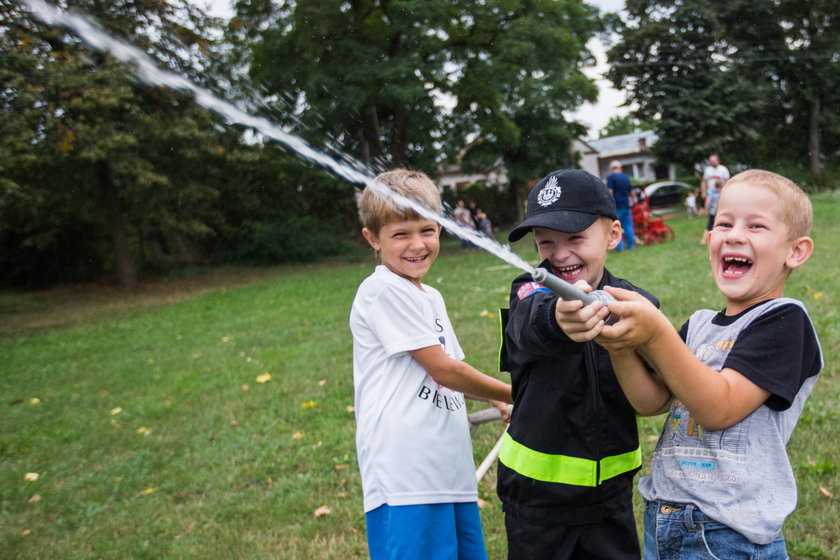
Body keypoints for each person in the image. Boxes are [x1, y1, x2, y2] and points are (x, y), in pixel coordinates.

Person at [597, 169, 823, 559]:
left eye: (756, 226)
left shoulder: (785, 321)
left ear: (795, 251)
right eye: (723, 223)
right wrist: (619, 346)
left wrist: (656, 335)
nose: (734, 235)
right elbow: (651, 401)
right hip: (663, 517)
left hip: (728, 532)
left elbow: (719, 408)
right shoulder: (700, 324)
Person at [350, 169, 514, 560]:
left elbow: (454, 369)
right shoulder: (383, 290)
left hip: (447, 467)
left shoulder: (430, 297)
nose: (417, 244)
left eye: (427, 230)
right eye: (400, 234)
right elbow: (443, 370)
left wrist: (497, 402)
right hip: (405, 474)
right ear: (373, 239)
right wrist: (517, 392)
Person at [497, 169, 659, 560]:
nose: (560, 254)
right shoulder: (531, 288)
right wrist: (557, 319)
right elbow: (528, 320)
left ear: (614, 236)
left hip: (611, 498)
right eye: (546, 242)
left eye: (575, 238)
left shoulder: (637, 303)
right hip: (537, 500)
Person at [700, 153, 730, 244]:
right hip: (711, 194)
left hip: (721, 195)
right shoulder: (708, 170)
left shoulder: (723, 169)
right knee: (712, 220)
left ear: (718, 160)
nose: (713, 163)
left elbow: (727, 181)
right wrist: (703, 192)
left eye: (714, 161)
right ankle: (705, 240)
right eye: (711, 161)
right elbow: (704, 182)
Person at [606, 160, 635, 250]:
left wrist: (608, 203)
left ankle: (619, 247)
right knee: (628, 226)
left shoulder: (611, 177)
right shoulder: (625, 177)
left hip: (616, 206)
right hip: (626, 205)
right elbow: (631, 191)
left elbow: (610, 192)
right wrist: (633, 200)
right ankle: (631, 246)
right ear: (620, 167)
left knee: (616, 227)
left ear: (611, 168)